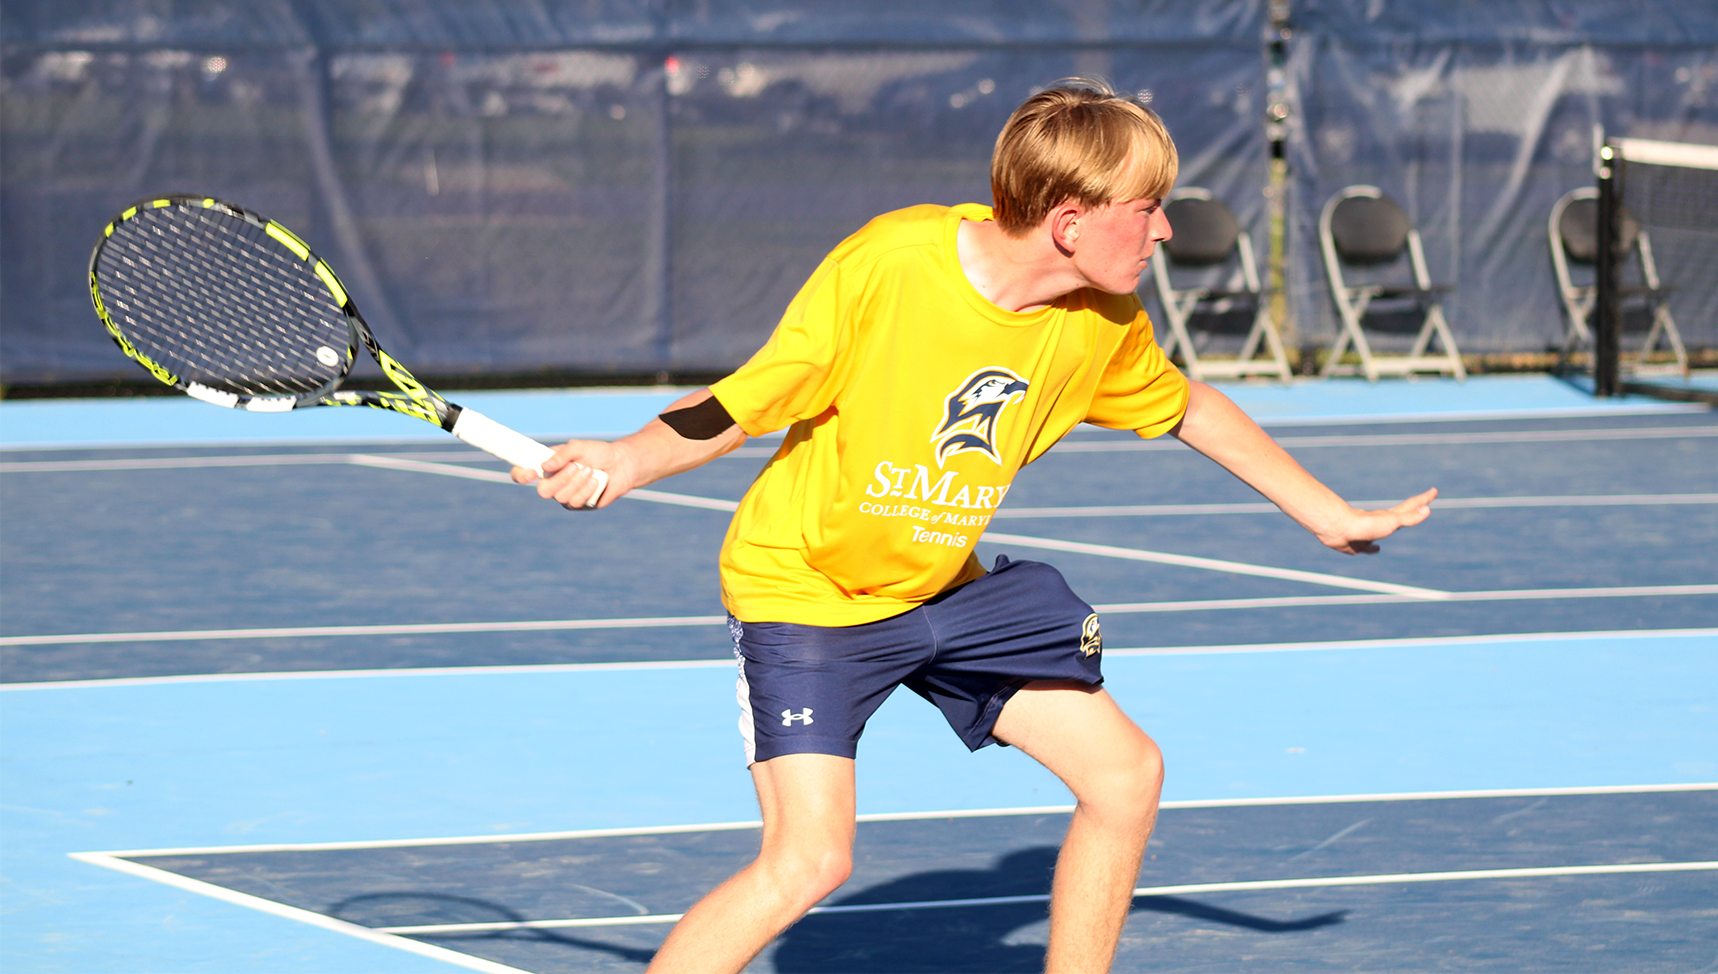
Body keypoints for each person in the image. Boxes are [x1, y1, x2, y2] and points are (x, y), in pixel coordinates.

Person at [516, 80, 1436, 973]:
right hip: (809, 595)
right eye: (1148, 207)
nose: (1165, 228)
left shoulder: (1103, 319)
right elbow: (749, 400)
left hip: (942, 591)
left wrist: (1326, 512)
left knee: (1126, 776)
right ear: (1070, 221)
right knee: (810, 861)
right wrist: (630, 457)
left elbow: (1187, 405)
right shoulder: (892, 265)